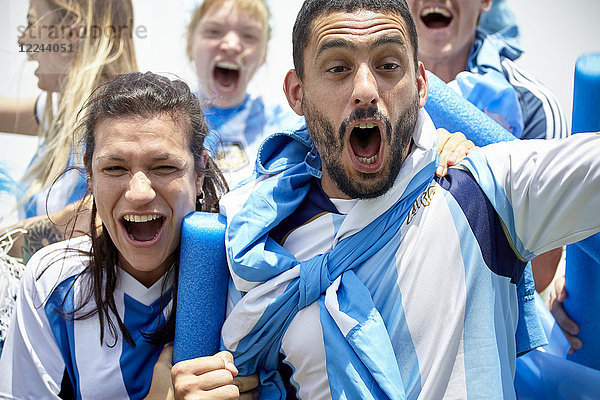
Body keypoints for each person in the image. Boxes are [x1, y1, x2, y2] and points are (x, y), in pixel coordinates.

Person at [174, 1, 600, 398]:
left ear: (419, 84)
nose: (364, 89)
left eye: (388, 65)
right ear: (297, 94)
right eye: (338, 67)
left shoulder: (488, 188)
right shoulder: (254, 244)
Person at [0, 72, 260, 399]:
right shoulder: (51, 281)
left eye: (164, 167)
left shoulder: (248, 275)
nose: (139, 192)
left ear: (198, 173)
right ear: (90, 175)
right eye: (114, 168)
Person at [0, 0, 138, 219]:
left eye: (31, 23)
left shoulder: (120, 125)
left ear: (70, 33)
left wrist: (7, 239)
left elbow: (83, 221)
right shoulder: (63, 112)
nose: (23, 40)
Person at [186, 0, 305, 187]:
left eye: (249, 35)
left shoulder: (289, 132)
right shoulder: (165, 124)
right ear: (190, 45)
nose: (231, 45)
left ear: (264, 54)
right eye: (214, 31)